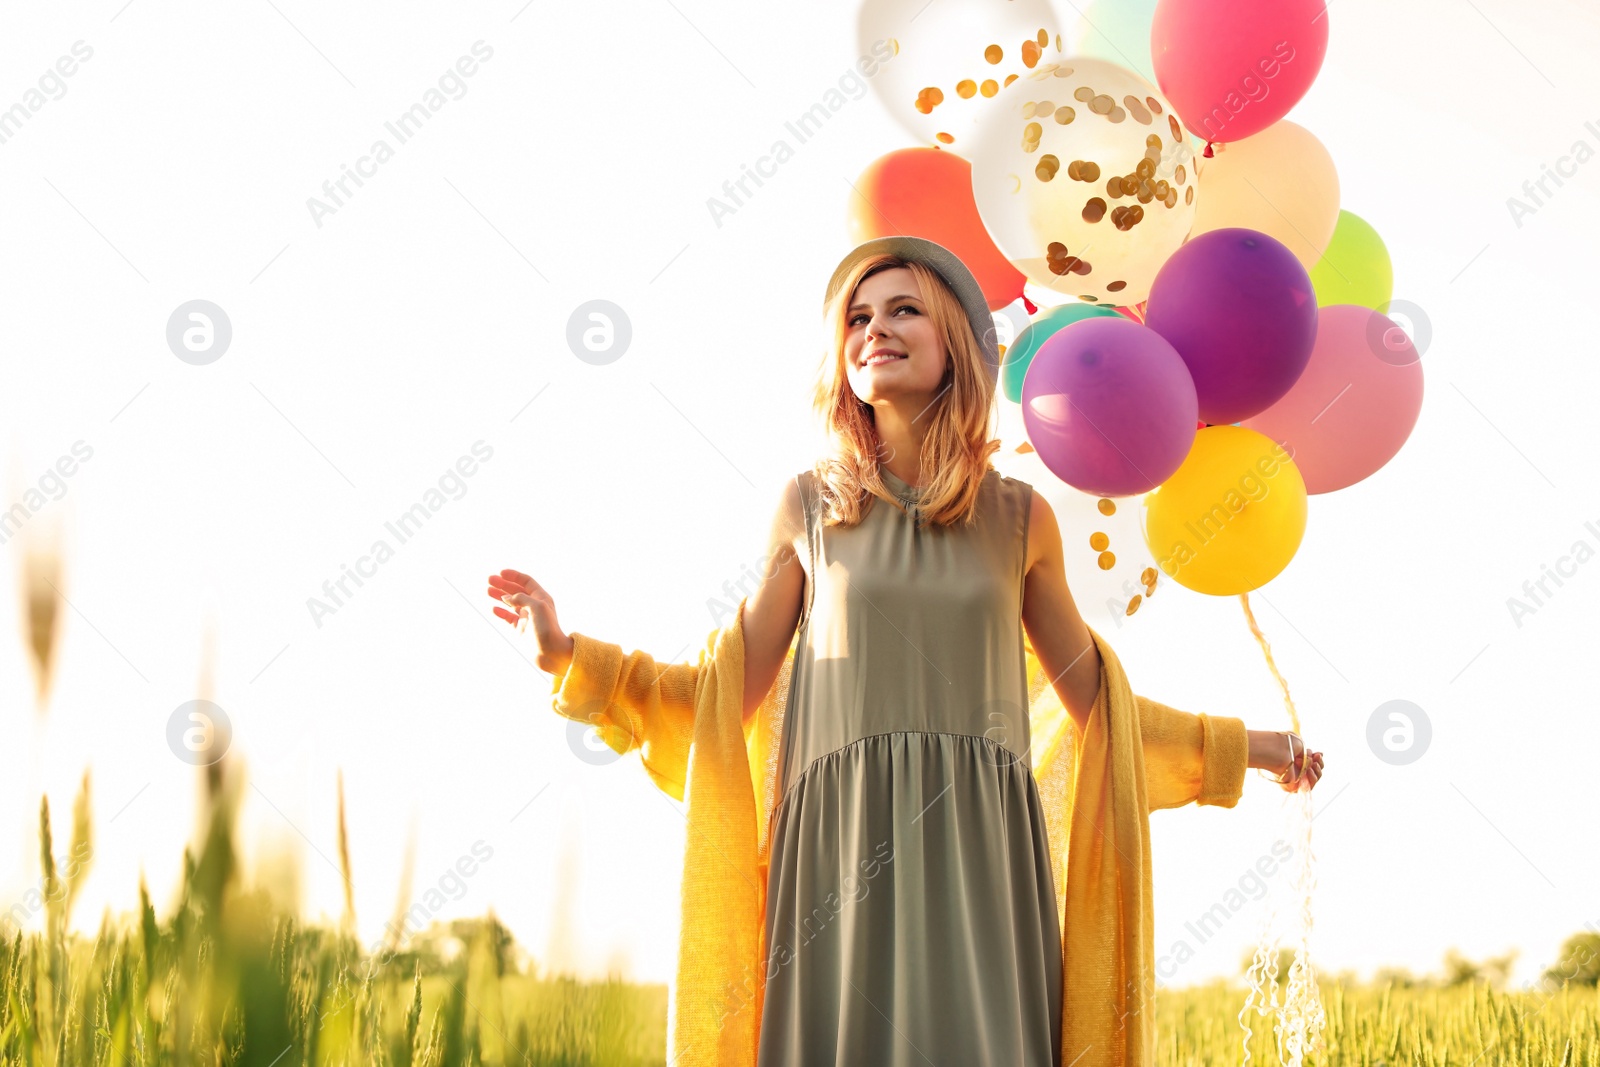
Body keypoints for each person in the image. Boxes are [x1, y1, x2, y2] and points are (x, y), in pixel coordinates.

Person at [488, 236, 1325, 1066]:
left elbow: (1098, 710)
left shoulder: (1018, 519)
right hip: (836, 853)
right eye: (856, 316)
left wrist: (1249, 748)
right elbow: (719, 692)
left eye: (902, 309)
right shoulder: (811, 508)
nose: (872, 329)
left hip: (983, 856)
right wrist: (569, 657)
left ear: (955, 339)